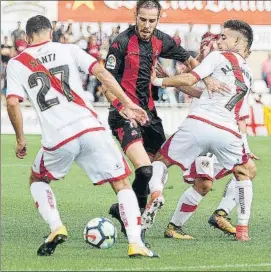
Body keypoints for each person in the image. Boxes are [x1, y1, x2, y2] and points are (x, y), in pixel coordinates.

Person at [6, 15, 159, 258]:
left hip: (58, 137)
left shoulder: (17, 63)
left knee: (37, 180)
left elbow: (13, 102)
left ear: (26, 37)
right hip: (90, 128)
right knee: (120, 183)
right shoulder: (69, 49)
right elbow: (102, 73)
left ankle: (56, 227)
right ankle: (136, 244)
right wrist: (126, 103)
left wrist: (20, 138)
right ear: (52, 31)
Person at [104, 0, 226, 237]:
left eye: (152, 20)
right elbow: (107, 83)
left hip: (150, 115)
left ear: (158, 19)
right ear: (135, 16)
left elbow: (189, 62)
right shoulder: (120, 44)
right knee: (146, 171)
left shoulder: (162, 39)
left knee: (160, 166)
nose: (146, 25)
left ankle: (132, 209)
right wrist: (124, 107)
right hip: (124, 114)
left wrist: (207, 78)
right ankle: (133, 217)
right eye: (142, 19)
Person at [148, 19, 254, 241]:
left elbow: (191, 78)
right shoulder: (248, 75)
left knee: (172, 166)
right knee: (245, 172)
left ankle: (160, 199)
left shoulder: (217, 57)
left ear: (237, 41)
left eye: (223, 37)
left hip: (198, 126)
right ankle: (242, 228)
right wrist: (243, 145)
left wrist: (157, 81)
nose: (218, 41)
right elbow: (202, 93)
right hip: (225, 132)